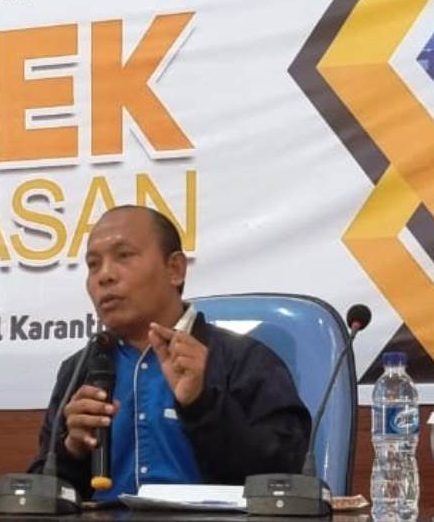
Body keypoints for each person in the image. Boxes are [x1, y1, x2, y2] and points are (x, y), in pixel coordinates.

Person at [29, 206, 311, 501]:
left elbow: (286, 479)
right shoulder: (79, 371)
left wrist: (203, 405)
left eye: (123, 256)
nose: (105, 276)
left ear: (174, 269)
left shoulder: (246, 361)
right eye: (93, 264)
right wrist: (71, 450)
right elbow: (41, 498)